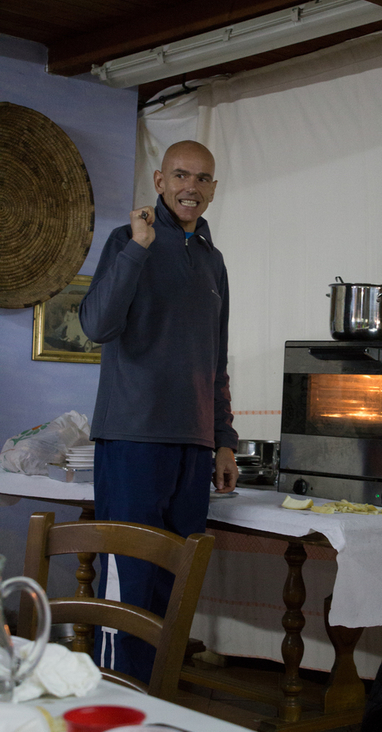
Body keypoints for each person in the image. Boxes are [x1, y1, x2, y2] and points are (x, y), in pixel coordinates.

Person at [79, 140, 238, 681]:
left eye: (203, 178)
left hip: (193, 448)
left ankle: (153, 702)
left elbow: (216, 361)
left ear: (213, 188)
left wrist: (224, 440)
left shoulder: (214, 263)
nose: (191, 186)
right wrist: (139, 247)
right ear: (159, 180)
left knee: (174, 587)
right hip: (133, 439)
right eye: (180, 175)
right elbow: (97, 326)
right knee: (128, 580)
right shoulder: (129, 240)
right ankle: (112, 702)